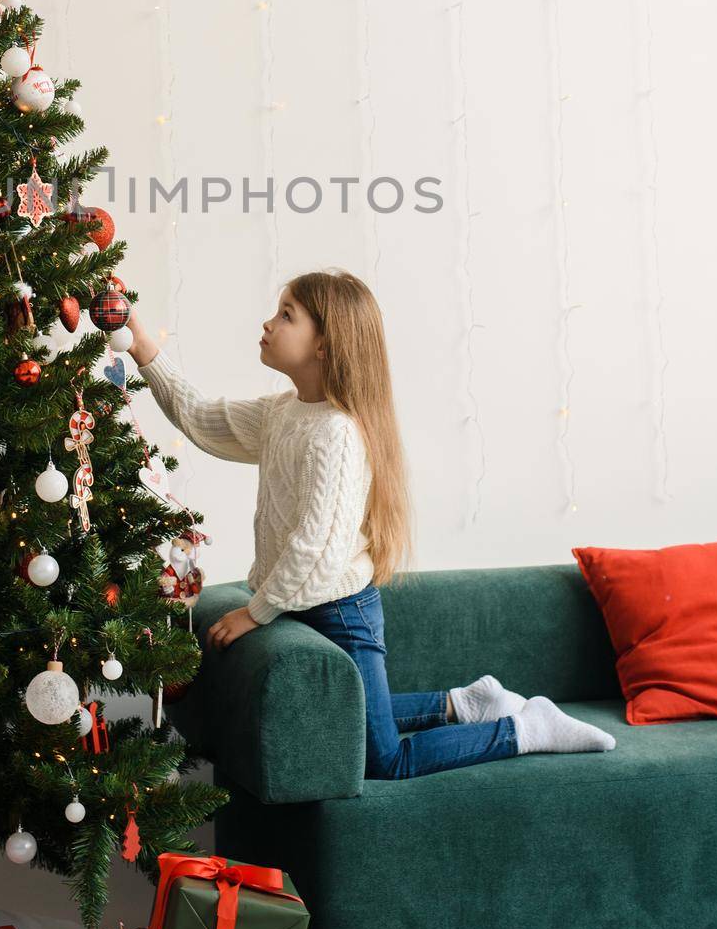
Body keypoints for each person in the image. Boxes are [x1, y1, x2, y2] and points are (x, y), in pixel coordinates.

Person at [127, 269, 615, 780]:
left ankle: (527, 728)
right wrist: (142, 346)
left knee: (382, 758)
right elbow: (202, 418)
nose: (268, 324)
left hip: (339, 611)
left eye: (287, 315)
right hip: (302, 601)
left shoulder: (335, 433)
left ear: (324, 345)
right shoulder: (284, 413)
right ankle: (464, 703)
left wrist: (256, 611)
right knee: (344, 715)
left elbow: (315, 549)